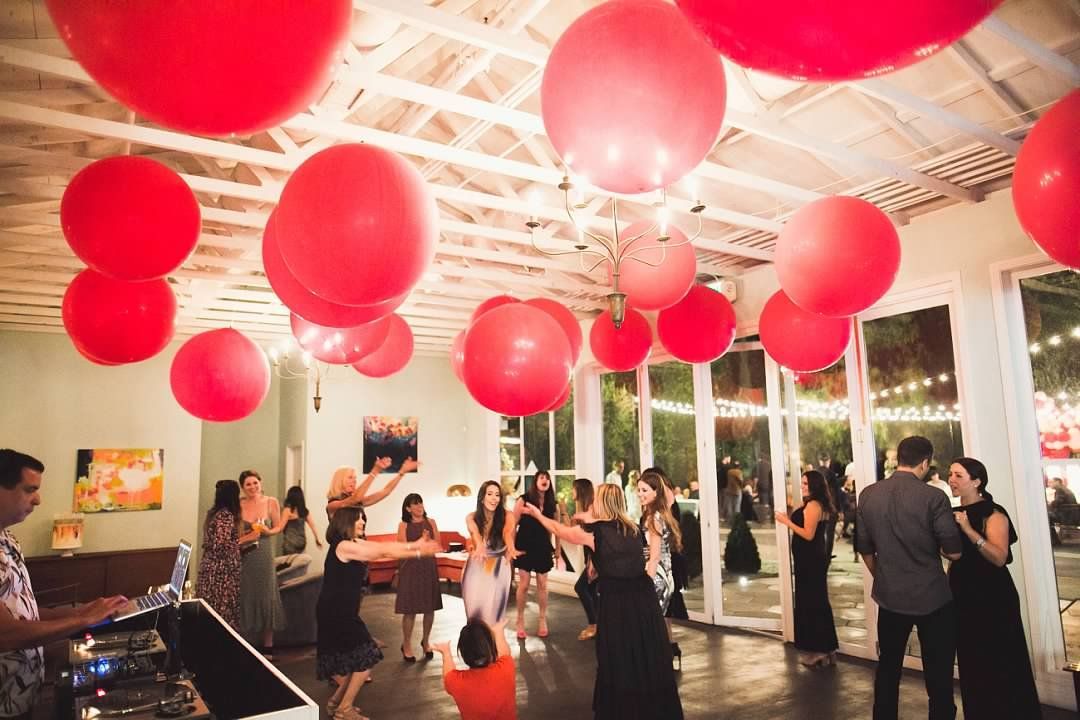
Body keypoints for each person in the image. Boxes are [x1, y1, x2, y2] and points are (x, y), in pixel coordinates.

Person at [522, 485, 682, 719]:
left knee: (619, 657)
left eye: (596, 498)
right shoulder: (633, 528)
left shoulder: (594, 534)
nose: (592, 502)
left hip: (617, 602)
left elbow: (558, 529)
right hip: (643, 599)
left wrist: (537, 515)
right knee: (645, 655)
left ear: (603, 502)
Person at [0, 450, 128, 719]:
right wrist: (82, 621)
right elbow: (6, 634)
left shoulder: (8, 539)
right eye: (29, 489)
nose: (38, 499)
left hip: (22, 693)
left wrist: (81, 611)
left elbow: (27, 615)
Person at [856, 436, 962, 720]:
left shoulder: (868, 494)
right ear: (925, 462)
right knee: (938, 671)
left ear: (899, 458)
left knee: (888, 667)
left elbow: (865, 548)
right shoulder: (933, 497)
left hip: (890, 597)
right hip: (933, 597)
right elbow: (953, 552)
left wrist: (884, 575)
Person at [318, 506, 440, 720]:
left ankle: (336, 703)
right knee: (366, 658)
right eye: (358, 519)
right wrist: (419, 549)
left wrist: (415, 546)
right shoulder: (345, 546)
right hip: (336, 612)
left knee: (356, 661)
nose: (363, 522)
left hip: (340, 610)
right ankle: (344, 710)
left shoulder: (353, 543)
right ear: (346, 522)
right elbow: (382, 553)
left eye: (363, 519)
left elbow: (384, 547)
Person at [947, 457, 1041, 720]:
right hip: (963, 594)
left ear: (976, 481)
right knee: (971, 660)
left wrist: (968, 530)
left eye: (958, 475)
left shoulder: (994, 512)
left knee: (1000, 659)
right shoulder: (951, 512)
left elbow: (999, 557)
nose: (951, 480)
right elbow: (954, 555)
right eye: (950, 474)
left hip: (992, 596)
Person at [775, 470, 839, 667]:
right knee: (816, 601)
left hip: (811, 561)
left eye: (805, 483)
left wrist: (786, 521)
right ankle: (826, 648)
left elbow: (808, 534)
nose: (802, 486)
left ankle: (819, 650)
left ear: (814, 485)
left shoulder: (813, 505)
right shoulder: (817, 504)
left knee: (813, 602)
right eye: (802, 482)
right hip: (811, 560)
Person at [197, 479, 259, 629]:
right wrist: (248, 538)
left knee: (213, 614)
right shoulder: (225, 515)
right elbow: (221, 545)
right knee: (222, 614)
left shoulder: (213, 513)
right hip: (221, 574)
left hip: (211, 568)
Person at [238, 469, 286, 657]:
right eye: (248, 484)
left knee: (266, 594)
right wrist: (246, 536)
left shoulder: (271, 502)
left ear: (261, 482)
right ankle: (246, 639)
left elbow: (278, 527)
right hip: (245, 554)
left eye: (255, 482)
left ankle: (268, 644)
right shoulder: (239, 504)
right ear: (243, 487)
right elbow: (235, 532)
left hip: (263, 552)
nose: (252, 487)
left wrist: (267, 531)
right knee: (246, 593)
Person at [462, 481, 519, 627]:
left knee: (495, 616)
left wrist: (511, 546)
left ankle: (493, 648)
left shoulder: (508, 515)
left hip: (499, 568)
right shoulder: (471, 517)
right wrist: (480, 545)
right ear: (482, 497)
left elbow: (507, 532)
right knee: (475, 615)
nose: (494, 498)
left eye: (497, 495)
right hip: (477, 566)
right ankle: (476, 648)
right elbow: (474, 532)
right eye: (490, 494)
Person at [437, 617, 516, 720]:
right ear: (489, 647)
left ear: (462, 653)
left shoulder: (455, 682)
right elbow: (504, 652)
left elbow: (448, 672)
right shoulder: (506, 668)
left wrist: (446, 652)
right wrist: (498, 631)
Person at [512, 470, 559, 639]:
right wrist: (511, 548)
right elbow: (512, 524)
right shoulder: (523, 500)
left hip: (542, 546)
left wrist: (558, 549)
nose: (545, 480)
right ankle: (519, 619)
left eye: (547, 478)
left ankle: (542, 620)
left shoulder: (553, 503)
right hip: (524, 545)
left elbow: (556, 528)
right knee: (523, 585)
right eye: (541, 477)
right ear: (536, 481)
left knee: (542, 584)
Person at [396, 493, 442, 662]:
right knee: (410, 609)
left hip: (428, 567)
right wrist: (420, 542)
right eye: (415, 504)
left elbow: (438, 545)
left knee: (429, 607)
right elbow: (402, 548)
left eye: (420, 502)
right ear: (408, 508)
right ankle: (406, 644)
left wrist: (429, 541)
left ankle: (426, 641)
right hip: (410, 569)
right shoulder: (403, 525)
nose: (419, 506)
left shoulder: (431, 522)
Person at [325, 457, 418, 522]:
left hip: (359, 546)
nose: (354, 481)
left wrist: (401, 473)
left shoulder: (358, 502)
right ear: (339, 480)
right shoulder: (333, 505)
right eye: (350, 478)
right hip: (342, 549)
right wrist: (375, 471)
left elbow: (385, 491)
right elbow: (354, 499)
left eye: (355, 478)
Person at [570, 478, 599, 641]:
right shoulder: (584, 510)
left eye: (573, 489)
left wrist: (592, 562)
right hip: (592, 557)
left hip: (596, 558)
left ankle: (593, 624)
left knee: (581, 588)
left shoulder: (590, 511)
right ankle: (597, 625)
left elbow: (595, 538)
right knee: (592, 590)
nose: (571, 492)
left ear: (580, 491)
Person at [281, 485, 322, 555]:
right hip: (301, 542)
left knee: (288, 563)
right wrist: (317, 539)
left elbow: (281, 526)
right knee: (299, 562)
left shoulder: (287, 510)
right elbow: (313, 526)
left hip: (289, 542)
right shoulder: (304, 511)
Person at [723, 461, 742, 525]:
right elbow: (741, 480)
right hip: (737, 490)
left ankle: (730, 521)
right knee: (737, 506)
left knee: (729, 506)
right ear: (739, 466)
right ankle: (736, 522)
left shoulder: (729, 472)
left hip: (729, 490)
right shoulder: (739, 472)